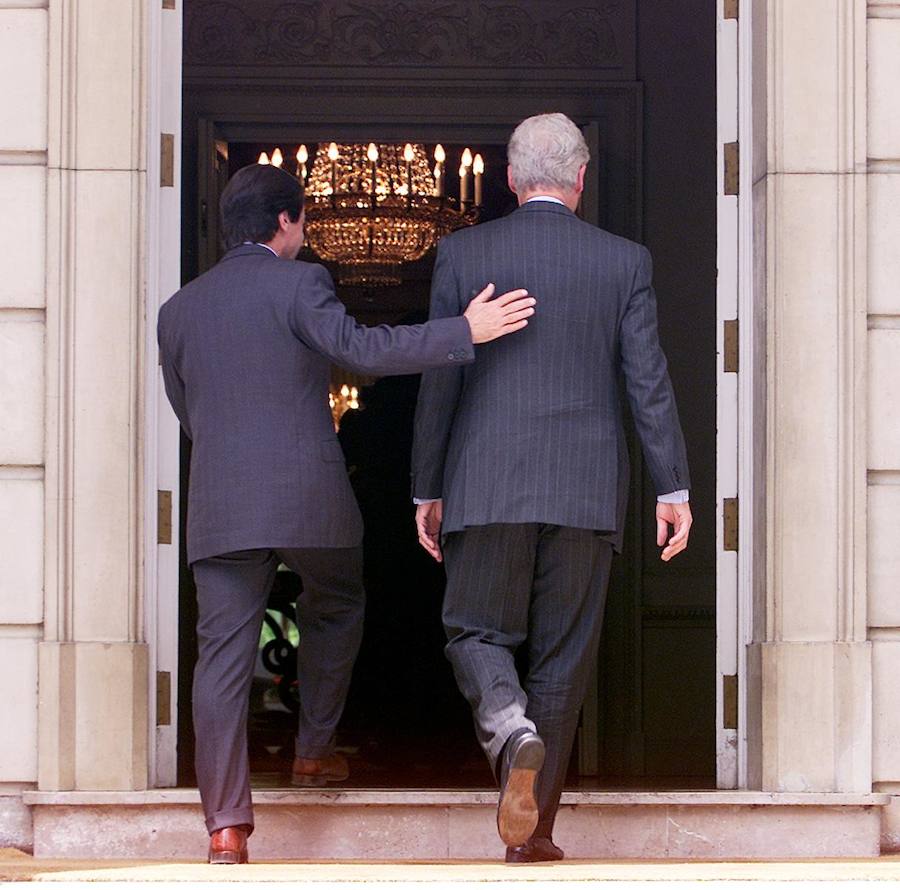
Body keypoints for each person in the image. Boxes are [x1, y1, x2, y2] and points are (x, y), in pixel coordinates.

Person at [157, 162, 535, 864]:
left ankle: (226, 828)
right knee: (336, 602)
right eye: (301, 220)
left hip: (222, 503)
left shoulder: (178, 310)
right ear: (286, 222)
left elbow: (189, 411)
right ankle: (313, 750)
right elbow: (362, 351)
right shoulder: (300, 283)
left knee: (221, 660)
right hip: (309, 501)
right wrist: (465, 329)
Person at [411, 113, 693, 863]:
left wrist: (425, 486)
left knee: (476, 633)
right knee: (562, 664)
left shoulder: (464, 252)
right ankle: (532, 835)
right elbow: (648, 381)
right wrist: (672, 488)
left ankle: (510, 729)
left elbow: (441, 381)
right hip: (585, 491)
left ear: (509, 178)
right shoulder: (624, 262)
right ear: (580, 178)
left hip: (486, 485)